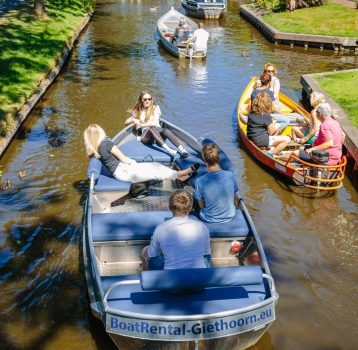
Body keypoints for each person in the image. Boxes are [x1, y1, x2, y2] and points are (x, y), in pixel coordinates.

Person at [83, 124, 198, 183]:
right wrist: (133, 163)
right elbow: (123, 159)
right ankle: (181, 173)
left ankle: (178, 177)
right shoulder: (106, 142)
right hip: (124, 171)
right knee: (154, 169)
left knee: (155, 166)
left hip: (118, 173)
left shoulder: (93, 149)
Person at [141, 190, 211, 270]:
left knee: (145, 251)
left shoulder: (161, 228)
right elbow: (207, 253)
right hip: (199, 275)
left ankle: (148, 279)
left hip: (172, 278)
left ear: (170, 207)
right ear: (190, 207)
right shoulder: (202, 227)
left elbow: (151, 254)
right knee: (206, 256)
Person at [125, 91, 189, 158]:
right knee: (151, 129)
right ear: (141, 100)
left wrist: (141, 125)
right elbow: (126, 123)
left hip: (158, 134)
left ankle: (183, 150)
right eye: (145, 99)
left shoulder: (155, 108)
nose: (147, 101)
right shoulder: (139, 110)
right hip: (147, 137)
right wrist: (133, 119)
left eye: (149, 99)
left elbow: (155, 123)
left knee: (166, 130)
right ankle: (169, 150)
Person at [279, 103, 344, 165]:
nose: (315, 114)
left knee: (294, 153)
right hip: (335, 156)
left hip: (325, 158)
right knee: (301, 148)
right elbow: (343, 136)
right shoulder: (335, 123)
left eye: (316, 112)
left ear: (320, 114)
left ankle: (276, 157)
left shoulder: (325, 125)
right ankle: (296, 157)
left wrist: (312, 149)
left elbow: (329, 143)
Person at [194, 143, 239, 223]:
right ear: (218, 158)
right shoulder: (230, 175)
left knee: (195, 198)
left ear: (204, 160)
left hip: (209, 218)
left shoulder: (200, 181)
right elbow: (235, 197)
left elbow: (201, 206)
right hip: (230, 216)